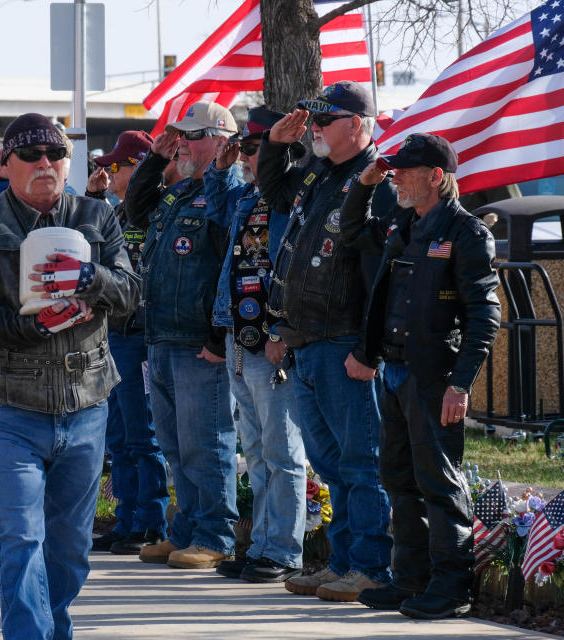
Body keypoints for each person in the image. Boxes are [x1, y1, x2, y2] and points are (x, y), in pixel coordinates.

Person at [0, 113, 139, 639]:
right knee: (20, 537)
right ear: (6, 162)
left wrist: (91, 277)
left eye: (54, 153)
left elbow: (130, 294)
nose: (43, 164)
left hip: (86, 403)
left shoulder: (97, 216)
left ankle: (55, 628)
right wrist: (35, 326)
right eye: (30, 155)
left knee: (71, 548)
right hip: (10, 405)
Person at [340, 133, 501, 619]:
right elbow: (351, 232)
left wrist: (461, 383)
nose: (397, 178)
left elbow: (484, 317)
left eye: (406, 172)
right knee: (399, 479)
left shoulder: (467, 233)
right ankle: (411, 580)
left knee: (439, 483)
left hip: (435, 377)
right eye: (395, 171)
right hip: (395, 370)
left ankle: (452, 587)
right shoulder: (402, 224)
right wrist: (362, 188)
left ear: (436, 176)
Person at [258, 80, 396, 601]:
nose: (313, 128)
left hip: (345, 344)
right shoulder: (319, 172)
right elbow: (273, 193)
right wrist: (275, 145)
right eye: (311, 120)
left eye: (324, 120)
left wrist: (367, 348)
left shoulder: (377, 181)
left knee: (361, 463)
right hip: (308, 340)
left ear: (356, 125)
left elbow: (380, 275)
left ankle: (370, 567)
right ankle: (341, 563)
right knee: (332, 465)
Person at [124, 101, 239, 570]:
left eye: (194, 136)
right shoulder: (179, 191)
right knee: (173, 443)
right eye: (182, 136)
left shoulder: (227, 192)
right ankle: (186, 529)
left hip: (198, 341)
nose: (185, 144)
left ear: (222, 141)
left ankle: (215, 535)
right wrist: (155, 158)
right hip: (163, 336)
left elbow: (230, 265)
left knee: (205, 441)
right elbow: (135, 210)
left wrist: (216, 336)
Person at [204, 107, 308, 583]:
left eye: (253, 148)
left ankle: (283, 550)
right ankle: (262, 544)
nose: (246, 156)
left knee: (282, 448)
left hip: (271, 338)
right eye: (244, 147)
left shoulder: (295, 193)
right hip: (238, 333)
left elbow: (296, 270)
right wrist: (221, 168)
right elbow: (217, 210)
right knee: (258, 447)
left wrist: (280, 331)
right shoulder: (247, 197)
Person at [85, 130, 170, 555]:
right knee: (118, 437)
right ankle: (127, 518)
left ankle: (149, 521)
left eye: (117, 167)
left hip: (137, 335)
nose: (109, 173)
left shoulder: (153, 209)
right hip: (112, 332)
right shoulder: (115, 212)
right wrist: (94, 198)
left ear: (139, 166)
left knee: (142, 434)